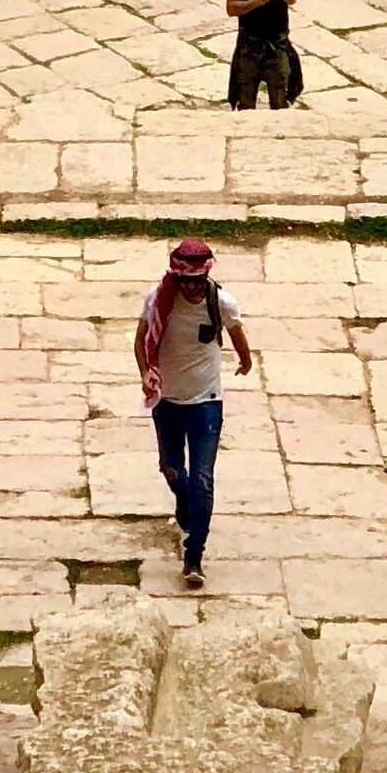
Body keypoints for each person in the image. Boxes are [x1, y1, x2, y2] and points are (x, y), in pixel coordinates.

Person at [135, 232, 252, 586]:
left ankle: (194, 554)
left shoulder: (221, 303)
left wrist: (245, 362)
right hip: (168, 400)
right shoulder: (158, 301)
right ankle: (184, 505)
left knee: (202, 480)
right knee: (171, 469)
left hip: (206, 403)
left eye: (197, 281)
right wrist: (145, 372)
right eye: (185, 282)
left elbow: (237, 333)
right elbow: (141, 339)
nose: (191, 289)